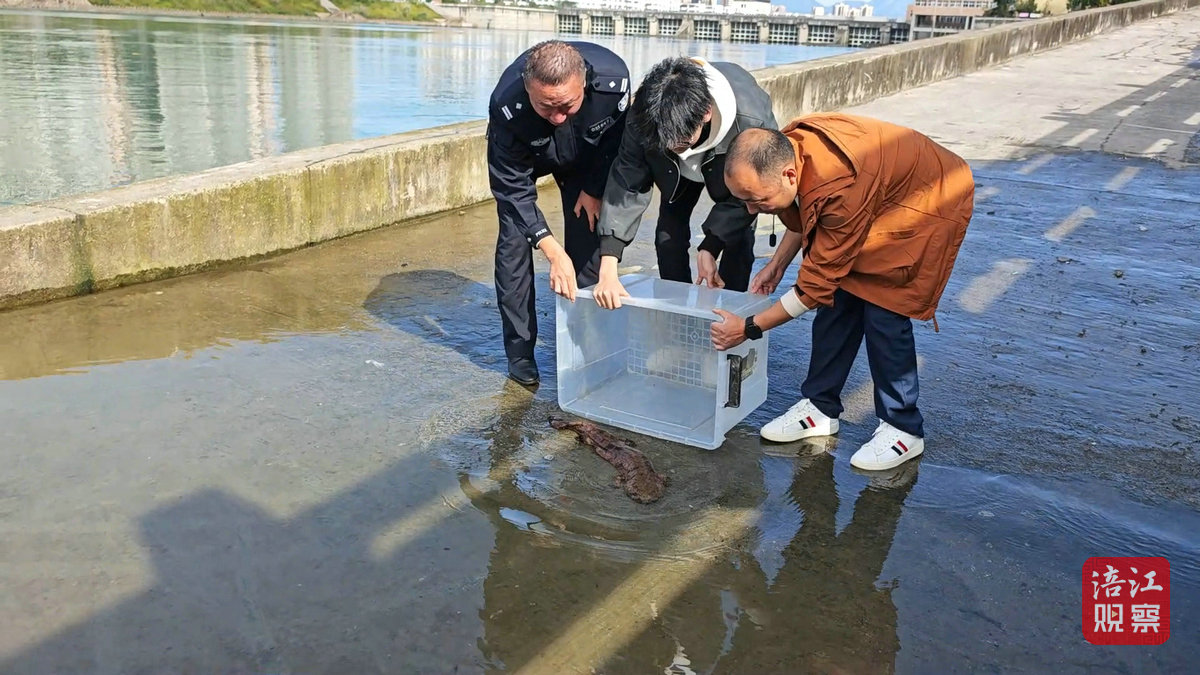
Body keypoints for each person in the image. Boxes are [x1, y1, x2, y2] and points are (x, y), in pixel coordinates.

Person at [708, 114, 975, 471]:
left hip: (929, 195)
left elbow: (811, 289)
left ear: (788, 175)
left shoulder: (841, 186)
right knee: (838, 302)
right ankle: (819, 407)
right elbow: (812, 211)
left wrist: (748, 328)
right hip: (875, 191)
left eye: (757, 200)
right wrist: (778, 264)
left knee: (884, 306)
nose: (751, 210)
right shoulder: (789, 151)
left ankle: (903, 427)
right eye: (744, 201)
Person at [487, 40, 630, 386]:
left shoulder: (614, 82)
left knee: (588, 242)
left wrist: (595, 188)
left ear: (585, 83)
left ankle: (590, 342)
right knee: (514, 242)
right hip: (528, 157)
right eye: (546, 106)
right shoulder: (507, 103)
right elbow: (510, 187)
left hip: (585, 156)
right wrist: (549, 247)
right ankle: (520, 352)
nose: (557, 116)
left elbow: (615, 143)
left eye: (566, 104)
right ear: (527, 87)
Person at [591, 56, 777, 310]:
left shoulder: (749, 121)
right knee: (668, 234)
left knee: (739, 237)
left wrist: (710, 246)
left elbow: (754, 193)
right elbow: (628, 180)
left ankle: (730, 313)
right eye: (665, 141)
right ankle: (676, 310)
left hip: (728, 164)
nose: (672, 146)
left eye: (680, 141)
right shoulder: (645, 113)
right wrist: (609, 262)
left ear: (707, 112)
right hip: (675, 173)